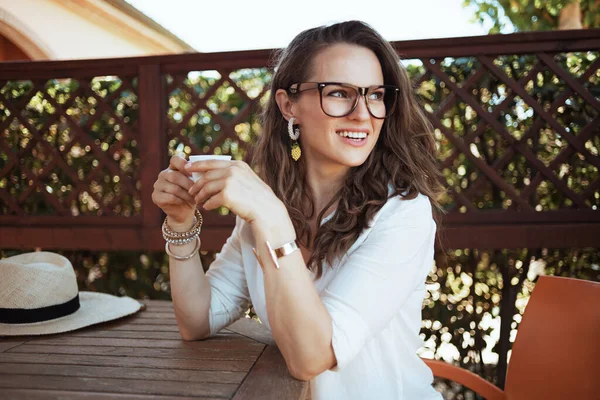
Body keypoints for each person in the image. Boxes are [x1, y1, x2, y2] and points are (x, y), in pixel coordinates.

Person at [152, 20, 444, 400]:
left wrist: (272, 221)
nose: (362, 114)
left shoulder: (403, 215)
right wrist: (181, 221)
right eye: (339, 93)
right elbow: (199, 318)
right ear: (289, 105)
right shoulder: (267, 207)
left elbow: (312, 357)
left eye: (375, 95)